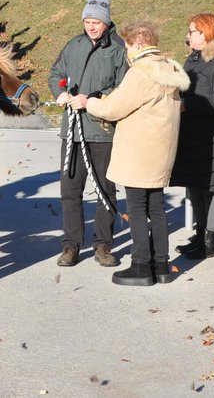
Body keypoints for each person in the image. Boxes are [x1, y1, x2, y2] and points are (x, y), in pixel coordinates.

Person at [71, 20, 189, 286]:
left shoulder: (141, 72)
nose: (126, 51)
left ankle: (140, 266)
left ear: (137, 43)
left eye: (127, 45)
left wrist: (88, 102)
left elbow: (114, 108)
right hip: (162, 151)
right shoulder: (168, 68)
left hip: (140, 151)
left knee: (136, 208)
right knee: (156, 208)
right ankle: (161, 265)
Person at [48, 0, 128, 268]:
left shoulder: (119, 49)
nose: (91, 26)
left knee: (106, 191)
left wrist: (91, 101)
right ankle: (71, 245)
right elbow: (55, 73)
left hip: (102, 131)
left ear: (106, 23)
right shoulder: (74, 45)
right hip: (72, 130)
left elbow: (123, 89)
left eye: (96, 22)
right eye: (87, 21)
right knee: (70, 190)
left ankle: (103, 245)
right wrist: (60, 92)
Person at [170, 13, 214, 259]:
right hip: (193, 134)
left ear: (206, 33)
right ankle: (200, 236)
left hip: (213, 134)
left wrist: (188, 106)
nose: (187, 36)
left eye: (192, 32)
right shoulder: (194, 60)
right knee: (195, 186)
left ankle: (211, 240)